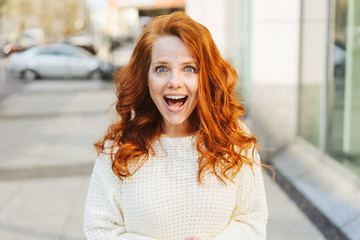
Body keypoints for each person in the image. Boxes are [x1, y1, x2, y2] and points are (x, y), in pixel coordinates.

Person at [84, 12, 268, 240]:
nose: (174, 82)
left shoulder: (235, 139)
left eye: (189, 68)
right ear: (145, 77)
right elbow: (99, 229)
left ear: (206, 76)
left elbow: (252, 221)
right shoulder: (118, 148)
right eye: (161, 69)